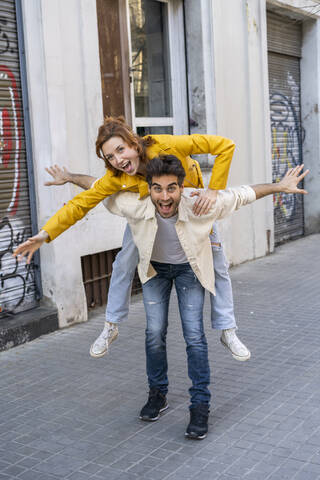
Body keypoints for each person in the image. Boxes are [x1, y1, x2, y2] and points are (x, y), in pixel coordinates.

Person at [103, 156, 308, 439]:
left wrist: (279, 187)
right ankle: (157, 394)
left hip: (189, 270)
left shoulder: (198, 202)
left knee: (195, 337)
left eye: (172, 188)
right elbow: (97, 188)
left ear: (182, 188)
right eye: (158, 189)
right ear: (148, 189)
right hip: (154, 271)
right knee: (153, 333)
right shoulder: (137, 204)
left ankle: (200, 405)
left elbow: (242, 195)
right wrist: (70, 177)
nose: (165, 197)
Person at [23, 116, 250, 362]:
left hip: (192, 209)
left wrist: (214, 190)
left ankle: (228, 330)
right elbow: (82, 203)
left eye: (121, 150)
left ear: (134, 143)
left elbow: (225, 146)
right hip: (149, 213)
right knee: (123, 261)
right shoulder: (116, 177)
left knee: (218, 263)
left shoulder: (167, 145)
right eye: (110, 157)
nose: (118, 160)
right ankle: (111, 325)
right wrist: (45, 234)